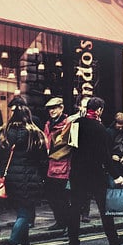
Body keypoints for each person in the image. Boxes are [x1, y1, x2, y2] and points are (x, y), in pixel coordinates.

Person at [66, 96, 123, 245]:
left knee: (75, 208)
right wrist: (116, 175)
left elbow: (72, 146)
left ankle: (73, 244)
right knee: (105, 207)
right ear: (99, 110)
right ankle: (113, 240)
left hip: (77, 172)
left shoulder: (76, 124)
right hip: (95, 173)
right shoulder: (100, 129)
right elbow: (104, 156)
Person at [0, 102, 47, 245]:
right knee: (25, 215)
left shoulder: (5, 132)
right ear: (28, 116)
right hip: (29, 177)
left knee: (22, 213)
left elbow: (1, 156)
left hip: (11, 178)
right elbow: (42, 159)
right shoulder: (35, 134)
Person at [41, 96, 73, 232]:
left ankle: (66, 223)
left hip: (62, 166)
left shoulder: (68, 123)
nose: (52, 111)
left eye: (54, 108)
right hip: (49, 166)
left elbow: (68, 146)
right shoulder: (48, 124)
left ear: (61, 108)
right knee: (51, 196)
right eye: (50, 109)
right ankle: (60, 221)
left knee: (62, 198)